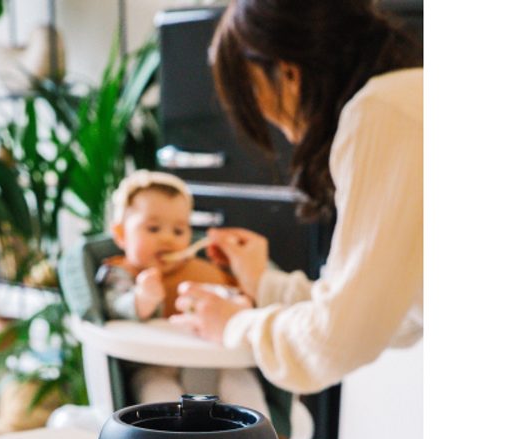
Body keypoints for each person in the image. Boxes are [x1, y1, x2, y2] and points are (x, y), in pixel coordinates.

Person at [170, 0, 423, 395]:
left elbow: (335, 338)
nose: (283, 131)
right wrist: (264, 284)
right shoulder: (409, 96)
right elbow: (387, 308)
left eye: (255, 93)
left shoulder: (381, 112)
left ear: (287, 72)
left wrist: (234, 324)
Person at [96, 170, 269, 415]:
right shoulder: (120, 273)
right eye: (153, 228)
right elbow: (115, 305)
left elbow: (233, 295)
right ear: (122, 234)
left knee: (241, 382)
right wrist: (141, 298)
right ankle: (171, 437)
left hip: (215, 362)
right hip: (154, 363)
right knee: (158, 391)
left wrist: (241, 301)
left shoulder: (201, 271)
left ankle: (260, 433)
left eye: (178, 231)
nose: (167, 239)